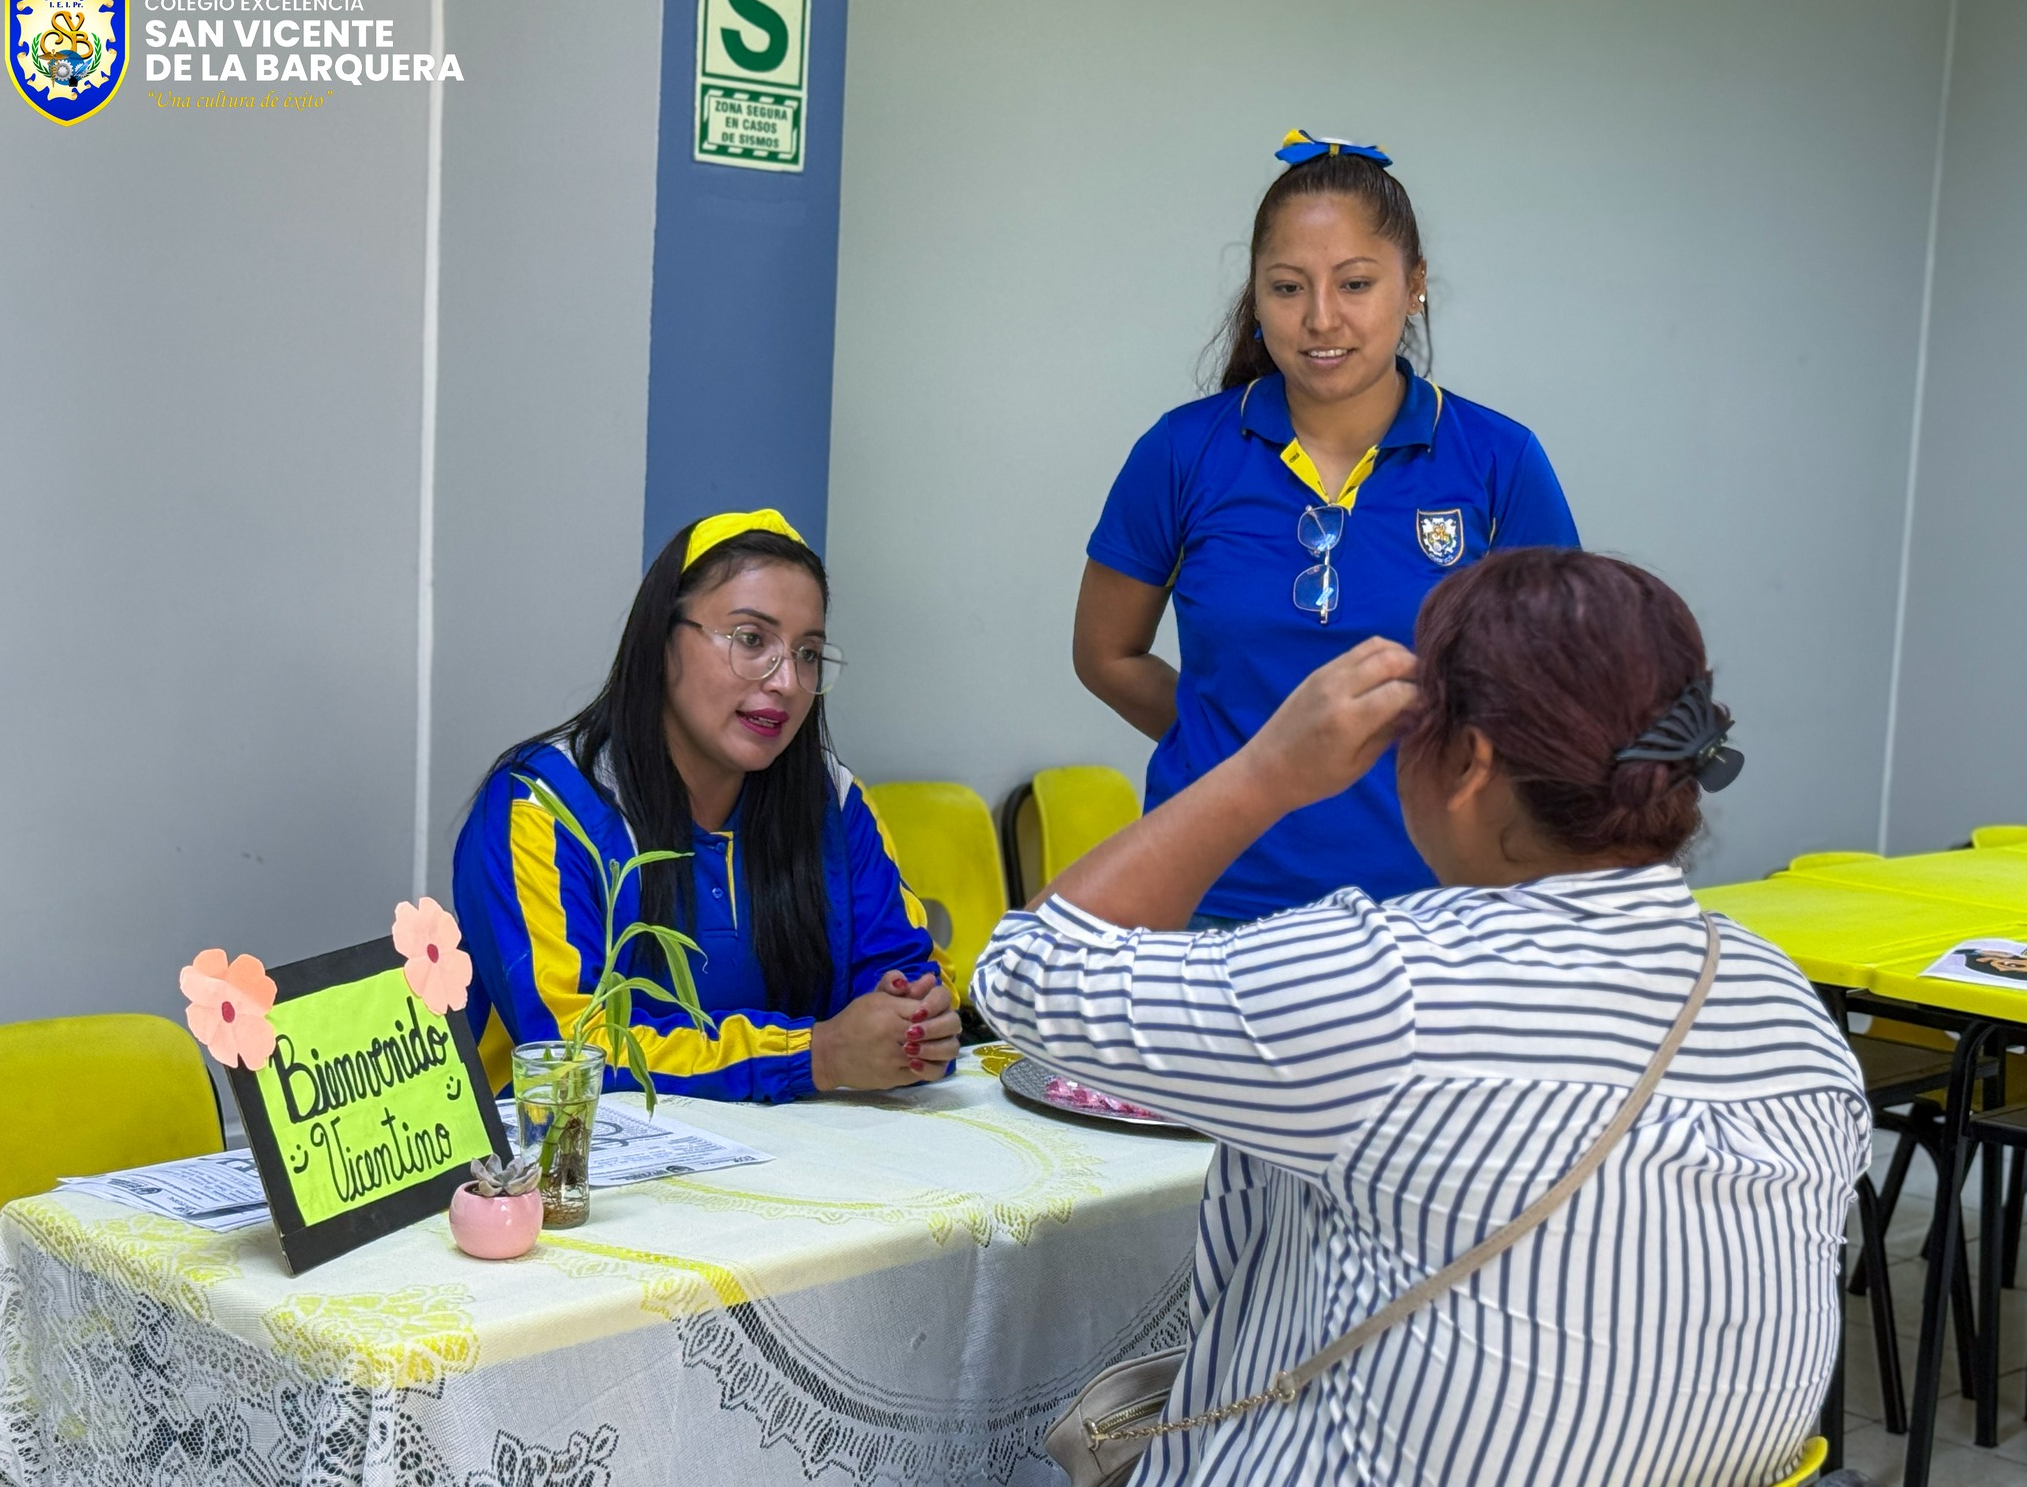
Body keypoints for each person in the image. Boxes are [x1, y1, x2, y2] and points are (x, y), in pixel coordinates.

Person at [978, 548, 1866, 1485]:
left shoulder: (1392, 985)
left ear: (1470, 763)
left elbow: (1025, 973)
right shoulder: (1790, 1010)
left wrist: (1265, 771)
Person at [1074, 130, 1579, 925]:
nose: (1320, 318)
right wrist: (1252, 754)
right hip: (1213, 906)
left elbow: (1557, 688)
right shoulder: (1180, 452)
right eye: (1287, 287)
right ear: (1255, 295)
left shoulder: (1499, 461)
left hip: (1431, 915)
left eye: (1355, 283)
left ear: (1414, 287)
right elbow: (1107, 654)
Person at [453, 509, 961, 1103]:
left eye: (808, 653)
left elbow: (906, 973)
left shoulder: (835, 803)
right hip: (560, 1156)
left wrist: (914, 1023)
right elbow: (573, 1051)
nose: (786, 682)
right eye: (751, 640)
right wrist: (816, 1055)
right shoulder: (542, 808)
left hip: (794, 1151)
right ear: (662, 641)